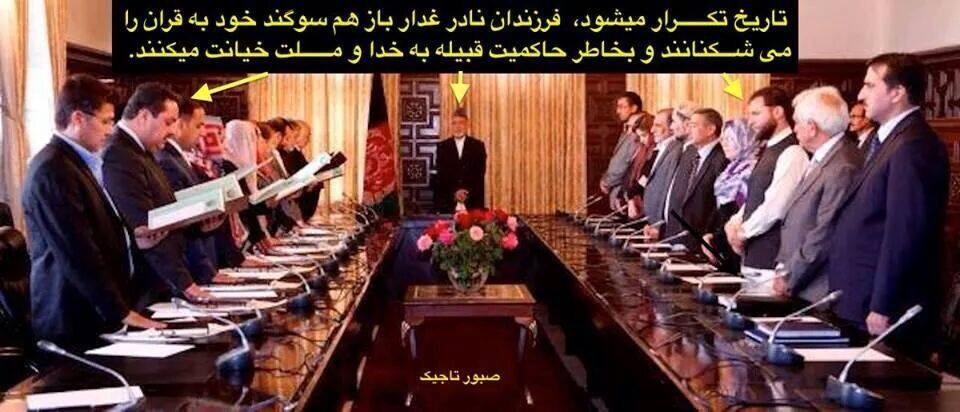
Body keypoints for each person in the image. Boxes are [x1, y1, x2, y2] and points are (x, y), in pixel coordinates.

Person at [22, 74, 165, 347]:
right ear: (78, 118)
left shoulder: (78, 162)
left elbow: (96, 229)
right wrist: (120, 311)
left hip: (98, 312)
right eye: (106, 121)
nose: (110, 130)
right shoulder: (52, 169)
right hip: (74, 319)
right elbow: (77, 251)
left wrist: (133, 239)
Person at [825, 53, 948, 360]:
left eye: (869, 85)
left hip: (882, 307)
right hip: (859, 297)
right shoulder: (887, 140)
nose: (860, 94)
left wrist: (883, 303)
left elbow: (904, 232)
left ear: (897, 92)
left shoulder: (913, 145)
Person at [102, 82, 217, 303]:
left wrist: (199, 226)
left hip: (161, 280)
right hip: (145, 286)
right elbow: (147, 229)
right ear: (144, 116)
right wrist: (185, 283)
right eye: (169, 122)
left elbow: (164, 212)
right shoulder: (120, 154)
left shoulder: (141, 150)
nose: (173, 131)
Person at [773, 86, 863, 303]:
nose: (794, 129)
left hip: (819, 287)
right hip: (804, 284)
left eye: (797, 122)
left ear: (812, 128)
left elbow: (825, 232)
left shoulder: (842, 166)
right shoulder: (825, 157)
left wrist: (790, 275)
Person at [724, 87, 808, 292]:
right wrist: (734, 222)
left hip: (771, 261)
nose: (750, 121)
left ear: (778, 112)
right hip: (752, 257)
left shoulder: (792, 151)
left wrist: (742, 232)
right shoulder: (768, 149)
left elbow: (776, 206)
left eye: (756, 113)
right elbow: (756, 195)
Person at [155, 97, 221, 284]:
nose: (203, 133)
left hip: (200, 261)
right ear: (181, 124)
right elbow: (179, 222)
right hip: (190, 267)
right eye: (198, 126)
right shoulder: (167, 160)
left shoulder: (177, 158)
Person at [659, 108, 730, 252]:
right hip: (676, 236)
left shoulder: (722, 158)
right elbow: (677, 194)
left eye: (694, 125)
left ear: (711, 129)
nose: (689, 129)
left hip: (703, 241)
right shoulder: (689, 152)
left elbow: (719, 207)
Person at [701, 118, 759, 269]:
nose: (724, 143)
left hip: (738, 244)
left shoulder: (752, 171)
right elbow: (720, 208)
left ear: (745, 139)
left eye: (730, 139)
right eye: (723, 139)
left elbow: (741, 212)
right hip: (719, 242)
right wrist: (709, 234)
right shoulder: (730, 169)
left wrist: (717, 238)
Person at [642, 104, 695, 224]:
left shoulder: (679, 150)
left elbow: (669, 189)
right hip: (657, 221)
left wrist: (660, 224)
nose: (652, 130)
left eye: (658, 125)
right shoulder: (672, 148)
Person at [434, 108, 487, 213]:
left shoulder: (478, 146)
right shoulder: (442, 147)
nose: (457, 127)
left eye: (461, 123)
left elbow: (480, 173)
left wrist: (466, 192)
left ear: (467, 125)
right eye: (454, 123)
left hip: (472, 201)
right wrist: (455, 192)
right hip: (448, 202)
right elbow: (441, 174)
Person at [600, 92, 644, 210]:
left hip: (626, 192)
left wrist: (607, 182)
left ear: (634, 108)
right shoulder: (628, 128)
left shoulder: (638, 131)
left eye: (621, 107)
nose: (617, 111)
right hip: (621, 191)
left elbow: (623, 161)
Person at [621, 113, 655, 218]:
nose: (641, 140)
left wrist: (631, 193)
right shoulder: (642, 149)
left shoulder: (655, 151)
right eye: (639, 136)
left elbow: (646, 176)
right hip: (636, 198)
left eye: (644, 135)